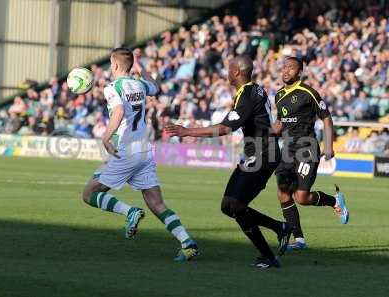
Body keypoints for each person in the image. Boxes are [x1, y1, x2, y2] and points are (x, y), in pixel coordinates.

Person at [166, 55, 292, 269]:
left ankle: (269, 255)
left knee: (235, 204)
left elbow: (225, 128)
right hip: (257, 154)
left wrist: (187, 131)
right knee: (228, 205)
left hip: (263, 154)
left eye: (228, 68)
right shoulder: (254, 90)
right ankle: (279, 228)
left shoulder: (249, 94)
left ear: (236, 72)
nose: (225, 72)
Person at [82, 47, 198, 261]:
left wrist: (105, 136)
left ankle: (129, 212)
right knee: (156, 203)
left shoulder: (112, 87)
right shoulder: (140, 85)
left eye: (110, 63)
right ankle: (186, 242)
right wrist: (142, 67)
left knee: (89, 194)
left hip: (125, 151)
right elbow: (156, 86)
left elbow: (118, 111)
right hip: (144, 151)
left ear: (115, 65)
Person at [272, 57, 350, 251]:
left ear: (299, 72)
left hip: (307, 149)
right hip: (288, 151)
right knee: (283, 194)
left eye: (291, 68)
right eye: (284, 67)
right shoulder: (279, 95)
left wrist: (329, 146)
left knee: (302, 197)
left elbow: (326, 118)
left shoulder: (308, 93)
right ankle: (299, 240)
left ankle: (334, 201)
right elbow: (280, 124)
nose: (286, 70)